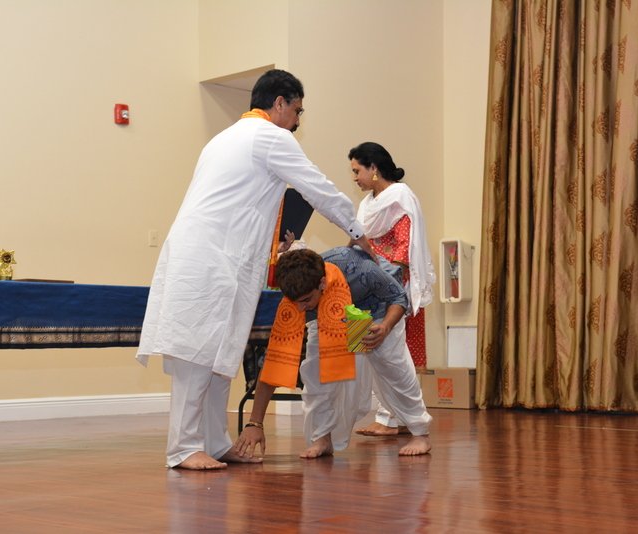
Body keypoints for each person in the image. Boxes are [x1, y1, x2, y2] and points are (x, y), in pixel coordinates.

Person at [136, 69, 375, 470]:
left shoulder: (224, 138)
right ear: (279, 103)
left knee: (220, 355)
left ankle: (214, 443)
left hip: (214, 255)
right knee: (198, 352)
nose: (297, 121)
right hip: (210, 256)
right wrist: (358, 230)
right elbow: (317, 187)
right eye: (296, 110)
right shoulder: (269, 137)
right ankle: (183, 447)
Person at [233, 247, 432, 459]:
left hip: (378, 310)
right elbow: (274, 364)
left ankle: (420, 433)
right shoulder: (297, 301)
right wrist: (255, 423)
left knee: (393, 369)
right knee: (315, 374)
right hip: (326, 316)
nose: (300, 309)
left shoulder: (361, 269)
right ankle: (322, 438)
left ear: (321, 283)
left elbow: (399, 297)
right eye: (295, 302)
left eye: (306, 300)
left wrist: (385, 327)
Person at [348, 142, 436, 437]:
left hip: (394, 285)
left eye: (357, 171)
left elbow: (403, 247)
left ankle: (405, 418)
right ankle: (389, 418)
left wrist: (378, 272)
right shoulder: (367, 204)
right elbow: (361, 241)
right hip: (371, 285)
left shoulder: (400, 196)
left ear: (373, 168)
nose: (355, 178)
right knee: (376, 355)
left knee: (393, 356)